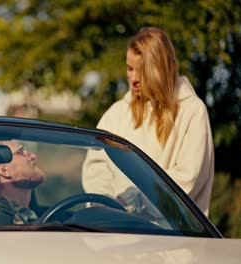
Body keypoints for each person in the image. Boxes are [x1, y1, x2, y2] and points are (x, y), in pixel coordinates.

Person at [82, 27, 214, 215]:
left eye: (142, 71)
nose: (133, 78)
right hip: (116, 233)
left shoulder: (192, 111)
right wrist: (104, 203)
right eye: (129, 68)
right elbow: (97, 165)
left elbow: (186, 182)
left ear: (161, 70)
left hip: (173, 239)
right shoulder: (117, 113)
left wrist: (133, 201)